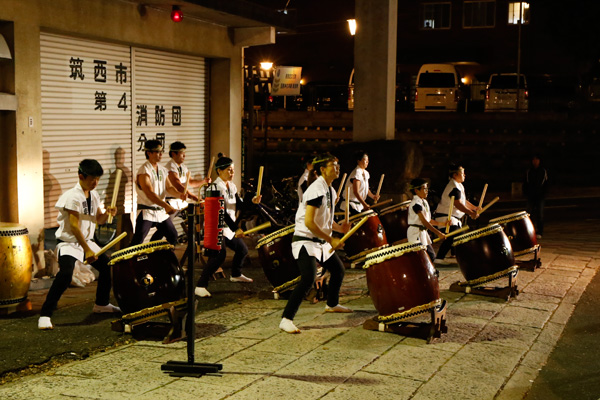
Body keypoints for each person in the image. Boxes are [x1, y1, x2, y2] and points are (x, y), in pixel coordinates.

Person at [38, 159, 121, 330]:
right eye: (92, 179)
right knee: (66, 274)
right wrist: (87, 250)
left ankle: (101, 304)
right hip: (69, 242)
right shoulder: (72, 196)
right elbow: (74, 226)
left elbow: (98, 219)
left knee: (107, 267)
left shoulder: (94, 195)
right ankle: (45, 314)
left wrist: (108, 213)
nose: (95, 183)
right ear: (81, 176)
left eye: (98, 179)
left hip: (87, 242)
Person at [279, 153, 352, 334]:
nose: (337, 168)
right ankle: (286, 319)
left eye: (338, 164)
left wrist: (340, 229)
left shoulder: (330, 190)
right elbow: (310, 223)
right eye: (333, 165)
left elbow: (325, 220)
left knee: (338, 270)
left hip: (320, 241)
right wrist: (331, 239)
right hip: (306, 240)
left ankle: (332, 303)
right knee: (308, 278)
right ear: (321, 170)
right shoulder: (316, 189)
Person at [194, 154, 261, 298]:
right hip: (216, 226)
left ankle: (236, 274)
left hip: (227, 227)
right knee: (219, 256)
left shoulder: (232, 186)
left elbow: (240, 205)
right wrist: (235, 228)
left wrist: (253, 201)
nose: (232, 173)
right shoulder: (214, 187)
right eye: (229, 170)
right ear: (219, 171)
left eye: (233, 170)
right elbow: (221, 212)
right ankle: (200, 285)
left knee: (242, 249)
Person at [130, 140, 182, 246]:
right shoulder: (144, 171)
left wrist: (180, 195)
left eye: (161, 151)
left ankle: (161, 259)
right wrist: (166, 205)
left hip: (160, 212)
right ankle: (129, 262)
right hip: (147, 211)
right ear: (149, 153)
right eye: (157, 152)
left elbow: (169, 188)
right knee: (137, 241)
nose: (161, 154)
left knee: (173, 236)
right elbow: (149, 193)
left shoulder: (162, 169)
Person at [433, 164, 480, 265]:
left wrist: (474, 208)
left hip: (452, 218)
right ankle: (439, 258)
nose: (465, 175)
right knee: (454, 236)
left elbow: (463, 201)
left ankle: (462, 258)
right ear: (455, 175)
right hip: (446, 217)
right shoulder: (453, 186)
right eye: (462, 173)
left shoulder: (458, 185)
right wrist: (470, 213)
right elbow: (457, 204)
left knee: (458, 238)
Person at [407, 178, 447, 262]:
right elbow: (424, 222)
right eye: (424, 188)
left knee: (430, 257)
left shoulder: (424, 202)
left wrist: (443, 224)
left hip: (423, 233)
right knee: (422, 258)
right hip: (415, 233)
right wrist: (438, 233)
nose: (427, 190)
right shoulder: (416, 203)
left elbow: (428, 220)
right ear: (416, 190)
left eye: (427, 188)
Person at [164, 141, 211, 213]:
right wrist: (196, 198)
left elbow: (191, 182)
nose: (184, 156)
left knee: (194, 216)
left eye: (184, 153)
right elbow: (179, 187)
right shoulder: (170, 167)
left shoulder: (183, 166)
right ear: (173, 154)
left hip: (181, 201)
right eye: (182, 153)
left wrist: (204, 181)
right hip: (171, 201)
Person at [340, 150, 380, 216]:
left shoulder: (366, 173)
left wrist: (373, 196)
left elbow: (366, 190)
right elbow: (356, 192)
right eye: (365, 160)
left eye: (368, 160)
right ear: (359, 161)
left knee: (376, 213)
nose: (367, 162)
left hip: (359, 205)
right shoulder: (356, 172)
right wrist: (364, 204)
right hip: (350, 206)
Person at [524, 154, 548, 239]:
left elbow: (544, 183)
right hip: (531, 196)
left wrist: (542, 193)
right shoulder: (529, 171)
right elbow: (527, 183)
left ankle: (540, 231)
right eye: (533, 160)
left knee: (540, 214)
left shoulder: (542, 171)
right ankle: (528, 231)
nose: (535, 161)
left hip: (540, 196)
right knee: (528, 214)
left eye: (537, 159)